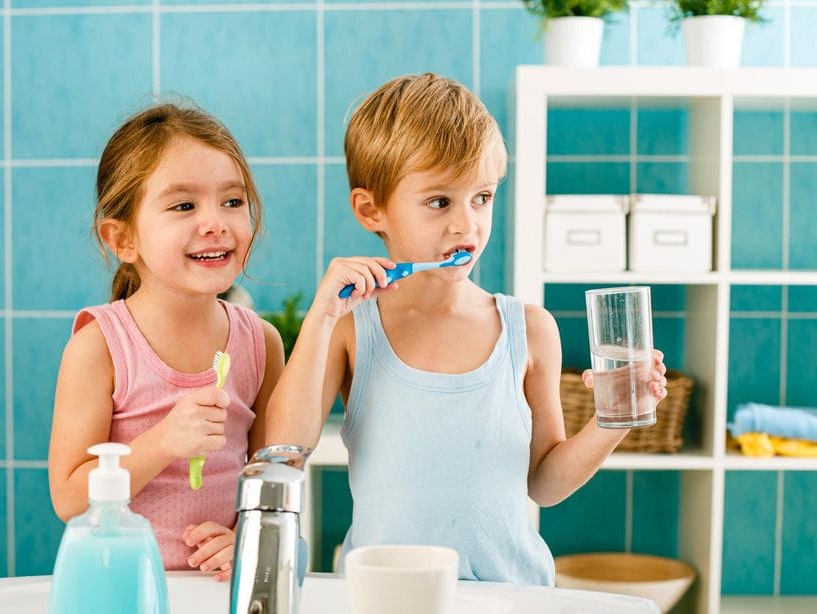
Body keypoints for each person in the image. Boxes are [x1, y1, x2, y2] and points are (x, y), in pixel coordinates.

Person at [265, 74, 668, 585]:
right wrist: (321, 318)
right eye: (439, 202)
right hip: (385, 595)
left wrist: (616, 419)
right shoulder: (350, 327)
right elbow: (283, 454)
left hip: (510, 593)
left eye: (481, 197)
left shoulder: (528, 329)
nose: (467, 225)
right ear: (372, 210)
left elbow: (544, 483)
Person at [48, 102, 284, 582]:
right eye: (184, 206)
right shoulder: (99, 347)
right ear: (122, 240)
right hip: (121, 587)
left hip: (219, 590)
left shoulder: (261, 343)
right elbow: (69, 498)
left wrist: (248, 539)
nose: (216, 221)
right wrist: (161, 442)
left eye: (233, 202)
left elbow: (270, 485)